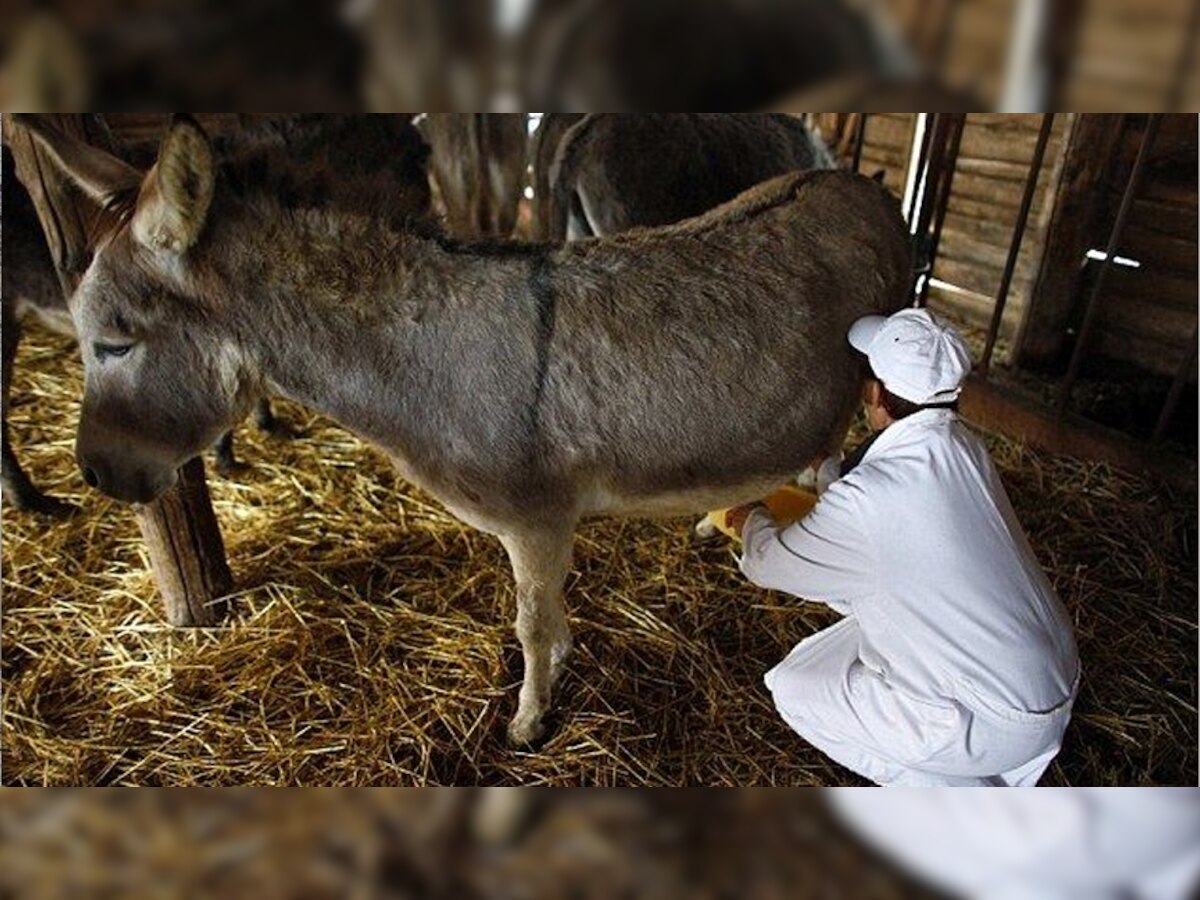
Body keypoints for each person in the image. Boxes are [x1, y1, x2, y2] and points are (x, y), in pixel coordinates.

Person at [725, 308, 1079, 786]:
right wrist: (827, 467)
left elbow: (772, 564)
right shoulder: (964, 448)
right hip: (1049, 675)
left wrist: (748, 518)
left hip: (993, 718)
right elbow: (877, 503)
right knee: (826, 649)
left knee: (793, 690)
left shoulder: (869, 498)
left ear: (873, 394)